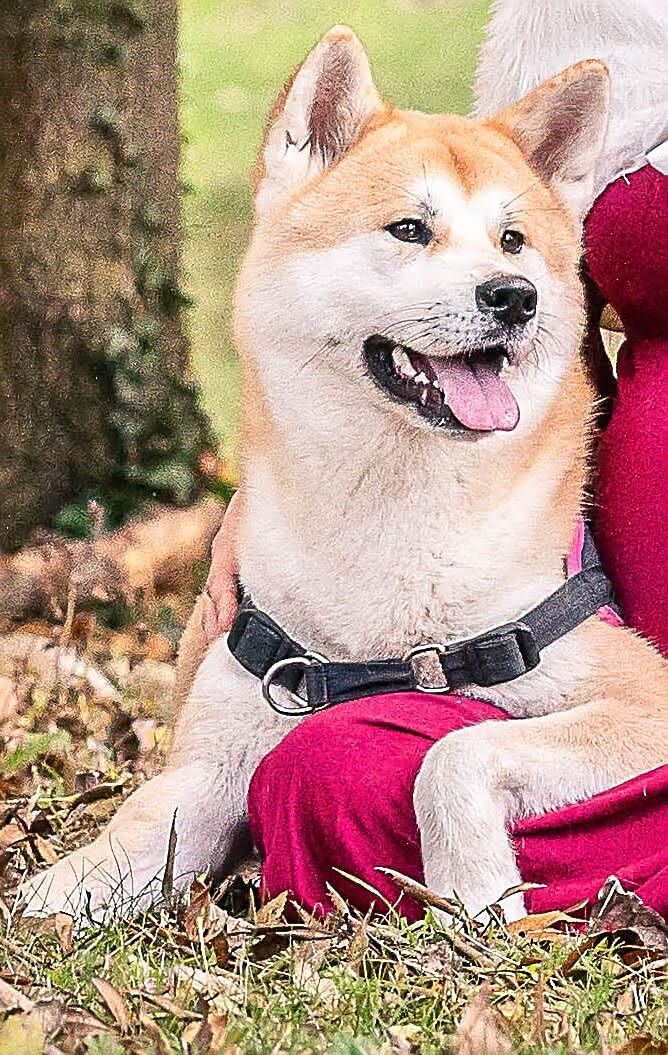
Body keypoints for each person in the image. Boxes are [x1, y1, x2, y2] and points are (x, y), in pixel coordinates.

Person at [182, 156, 668, 923]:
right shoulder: (599, 103)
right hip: (596, 588)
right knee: (323, 776)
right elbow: (543, 312)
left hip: (614, 696)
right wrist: (275, 483)